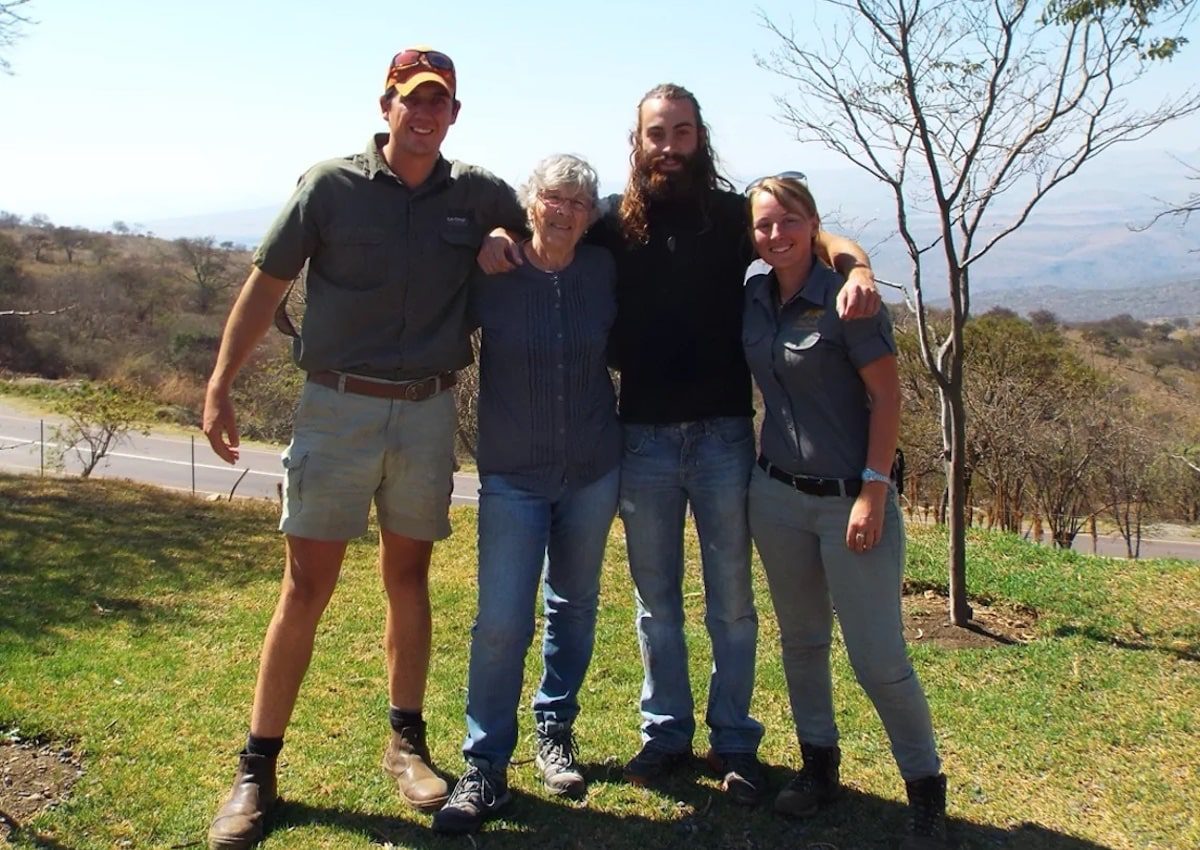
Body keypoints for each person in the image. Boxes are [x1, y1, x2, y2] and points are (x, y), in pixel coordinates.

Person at [481, 83, 880, 806]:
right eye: (656, 134)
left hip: (726, 434)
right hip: (643, 439)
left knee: (730, 600)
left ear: (701, 138)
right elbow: (539, 224)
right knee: (655, 601)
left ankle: (733, 742)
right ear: (637, 144)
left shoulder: (733, 217)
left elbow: (818, 234)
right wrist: (499, 238)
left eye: (682, 132)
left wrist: (858, 268)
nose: (669, 147)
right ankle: (665, 735)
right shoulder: (609, 223)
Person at [201, 47, 525, 850]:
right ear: (385, 105)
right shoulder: (330, 186)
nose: (424, 114)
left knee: (407, 580)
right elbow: (266, 284)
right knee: (305, 588)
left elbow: (548, 238)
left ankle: (406, 743)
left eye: (439, 102)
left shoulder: (479, 191)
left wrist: (499, 237)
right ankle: (256, 768)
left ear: (455, 114)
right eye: (411, 99)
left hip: (426, 413)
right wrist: (219, 384)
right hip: (335, 409)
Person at [742, 175, 947, 849]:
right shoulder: (753, 294)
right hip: (774, 496)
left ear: (813, 224)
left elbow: (888, 401)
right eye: (764, 225)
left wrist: (872, 490)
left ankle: (924, 789)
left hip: (848, 502)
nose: (776, 235)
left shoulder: (848, 300)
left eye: (789, 221)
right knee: (801, 643)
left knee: (878, 655)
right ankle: (817, 768)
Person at [431, 154, 620, 835]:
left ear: (592, 215)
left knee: (574, 605)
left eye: (577, 202)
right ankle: (484, 764)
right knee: (501, 622)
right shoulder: (496, 273)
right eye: (551, 198)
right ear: (529, 205)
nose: (564, 211)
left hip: (595, 469)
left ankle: (555, 729)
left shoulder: (604, 271)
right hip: (512, 474)